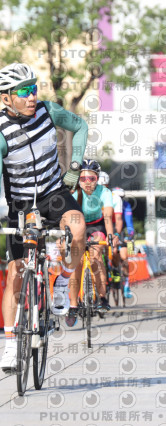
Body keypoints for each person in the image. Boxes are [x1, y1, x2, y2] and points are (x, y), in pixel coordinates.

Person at [0, 63, 87, 374]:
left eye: (34, 88)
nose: (32, 96)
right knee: (15, 272)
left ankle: (63, 280)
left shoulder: (48, 111)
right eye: (24, 91)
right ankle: (11, 345)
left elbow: (80, 126)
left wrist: (74, 166)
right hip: (21, 203)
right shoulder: (1, 132)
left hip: (54, 193)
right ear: (6, 98)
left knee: (78, 228)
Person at [67, 160, 117, 325]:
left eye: (92, 178)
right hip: (78, 225)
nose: (87, 182)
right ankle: (73, 305)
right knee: (77, 263)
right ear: (79, 180)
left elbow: (108, 217)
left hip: (97, 225)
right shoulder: (74, 192)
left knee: (95, 257)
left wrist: (110, 236)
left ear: (97, 179)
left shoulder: (105, 192)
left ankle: (102, 298)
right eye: (83, 179)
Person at [112, 186, 135, 298]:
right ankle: (114, 273)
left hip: (122, 232)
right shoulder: (108, 204)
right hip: (110, 230)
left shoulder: (126, 206)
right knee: (113, 254)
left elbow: (129, 223)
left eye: (121, 198)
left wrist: (130, 235)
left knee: (124, 257)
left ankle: (126, 284)